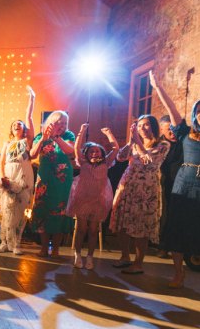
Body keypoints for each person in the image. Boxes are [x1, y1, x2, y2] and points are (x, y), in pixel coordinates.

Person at [149, 70, 200, 288]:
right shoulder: (186, 132)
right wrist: (158, 88)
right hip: (183, 183)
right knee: (177, 228)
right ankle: (178, 273)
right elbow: (172, 111)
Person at [109, 114, 169, 274]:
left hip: (146, 190)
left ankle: (138, 263)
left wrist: (137, 142)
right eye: (140, 125)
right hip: (128, 186)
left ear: (154, 126)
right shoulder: (136, 143)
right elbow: (121, 157)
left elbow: (149, 162)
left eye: (146, 125)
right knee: (123, 223)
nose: (142, 128)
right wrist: (131, 141)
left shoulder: (163, 144)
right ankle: (124, 257)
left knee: (141, 226)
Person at [66, 124, 118, 269]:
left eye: (97, 151)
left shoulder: (106, 163)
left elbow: (116, 149)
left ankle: (90, 256)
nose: (95, 153)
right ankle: (77, 254)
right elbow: (76, 149)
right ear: (86, 154)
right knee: (81, 228)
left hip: (97, 201)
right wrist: (81, 131)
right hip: (83, 199)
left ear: (102, 153)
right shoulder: (83, 162)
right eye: (91, 151)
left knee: (93, 230)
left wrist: (109, 134)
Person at [0, 85, 35, 256]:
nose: (17, 125)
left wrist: (31, 99)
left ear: (24, 128)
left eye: (20, 124)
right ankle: (4, 241)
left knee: (19, 211)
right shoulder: (7, 144)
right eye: (14, 125)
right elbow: (2, 161)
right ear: (11, 130)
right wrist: (3, 177)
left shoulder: (27, 141)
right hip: (8, 176)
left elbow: (29, 117)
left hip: (23, 178)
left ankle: (16, 243)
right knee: (5, 211)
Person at [29, 110, 75, 257]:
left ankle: (55, 249)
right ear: (51, 122)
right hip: (45, 179)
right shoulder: (40, 136)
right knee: (43, 210)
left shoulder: (68, 136)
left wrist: (56, 138)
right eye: (59, 122)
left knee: (59, 211)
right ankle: (43, 248)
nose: (62, 126)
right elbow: (32, 155)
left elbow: (70, 151)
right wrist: (44, 138)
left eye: (65, 123)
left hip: (62, 180)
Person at [156, 114, 183, 258]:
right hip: (168, 184)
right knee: (167, 215)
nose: (172, 133)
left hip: (184, 183)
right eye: (168, 130)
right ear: (162, 129)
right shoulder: (161, 146)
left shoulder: (184, 141)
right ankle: (164, 246)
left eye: (173, 130)